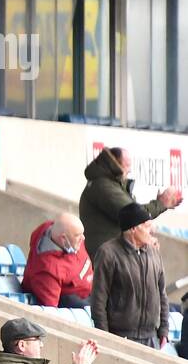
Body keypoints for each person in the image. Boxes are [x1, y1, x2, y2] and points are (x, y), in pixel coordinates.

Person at [79, 147, 181, 258]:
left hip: (111, 255)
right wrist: (161, 203)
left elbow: (133, 212)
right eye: (127, 165)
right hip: (109, 258)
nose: (130, 170)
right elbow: (133, 214)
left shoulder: (108, 184)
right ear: (114, 163)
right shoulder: (103, 186)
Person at [90, 203, 168, 348]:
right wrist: (104, 336)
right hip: (120, 337)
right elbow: (98, 299)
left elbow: (162, 293)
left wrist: (164, 329)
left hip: (151, 338)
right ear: (133, 228)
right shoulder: (108, 253)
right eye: (146, 226)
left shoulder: (154, 252)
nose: (151, 231)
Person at [21, 213, 93, 309]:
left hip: (93, 286)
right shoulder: (48, 271)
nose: (83, 238)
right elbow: (51, 310)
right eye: (77, 235)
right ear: (63, 238)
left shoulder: (53, 229)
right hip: (78, 301)